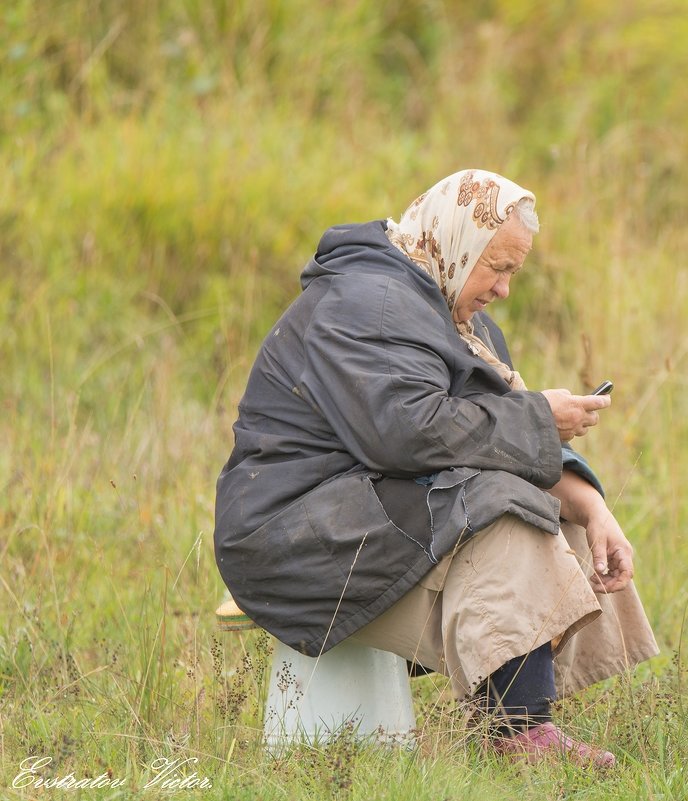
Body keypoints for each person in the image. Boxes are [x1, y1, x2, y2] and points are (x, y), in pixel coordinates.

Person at [214, 169, 658, 768]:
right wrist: (537, 418)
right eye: (496, 268)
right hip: (289, 534)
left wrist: (591, 506)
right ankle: (516, 732)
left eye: (513, 272)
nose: (503, 289)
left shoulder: (452, 314)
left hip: (358, 515)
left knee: (542, 503)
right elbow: (406, 434)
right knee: (503, 504)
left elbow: (488, 440)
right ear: (458, 242)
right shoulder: (367, 304)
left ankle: (515, 714)